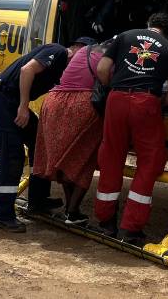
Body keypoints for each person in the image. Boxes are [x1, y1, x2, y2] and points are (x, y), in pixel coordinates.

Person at [0, 35, 93, 232]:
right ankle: (4, 215)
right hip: (5, 99)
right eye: (83, 54)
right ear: (76, 47)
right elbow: (28, 70)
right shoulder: (58, 51)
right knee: (12, 155)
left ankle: (38, 200)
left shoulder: (64, 69)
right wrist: (24, 106)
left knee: (39, 143)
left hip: (13, 101)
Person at [93, 12, 168, 246]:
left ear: (149, 24)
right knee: (150, 161)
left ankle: (106, 222)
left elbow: (102, 68)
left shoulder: (124, 37)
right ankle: (130, 228)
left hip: (116, 99)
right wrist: (154, 104)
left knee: (111, 155)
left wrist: (112, 89)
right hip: (147, 102)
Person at [32, 38, 109, 225]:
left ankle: (69, 208)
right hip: (81, 106)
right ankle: (72, 211)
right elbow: (106, 77)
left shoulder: (83, 52)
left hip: (53, 102)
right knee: (84, 158)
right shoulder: (108, 59)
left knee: (65, 158)